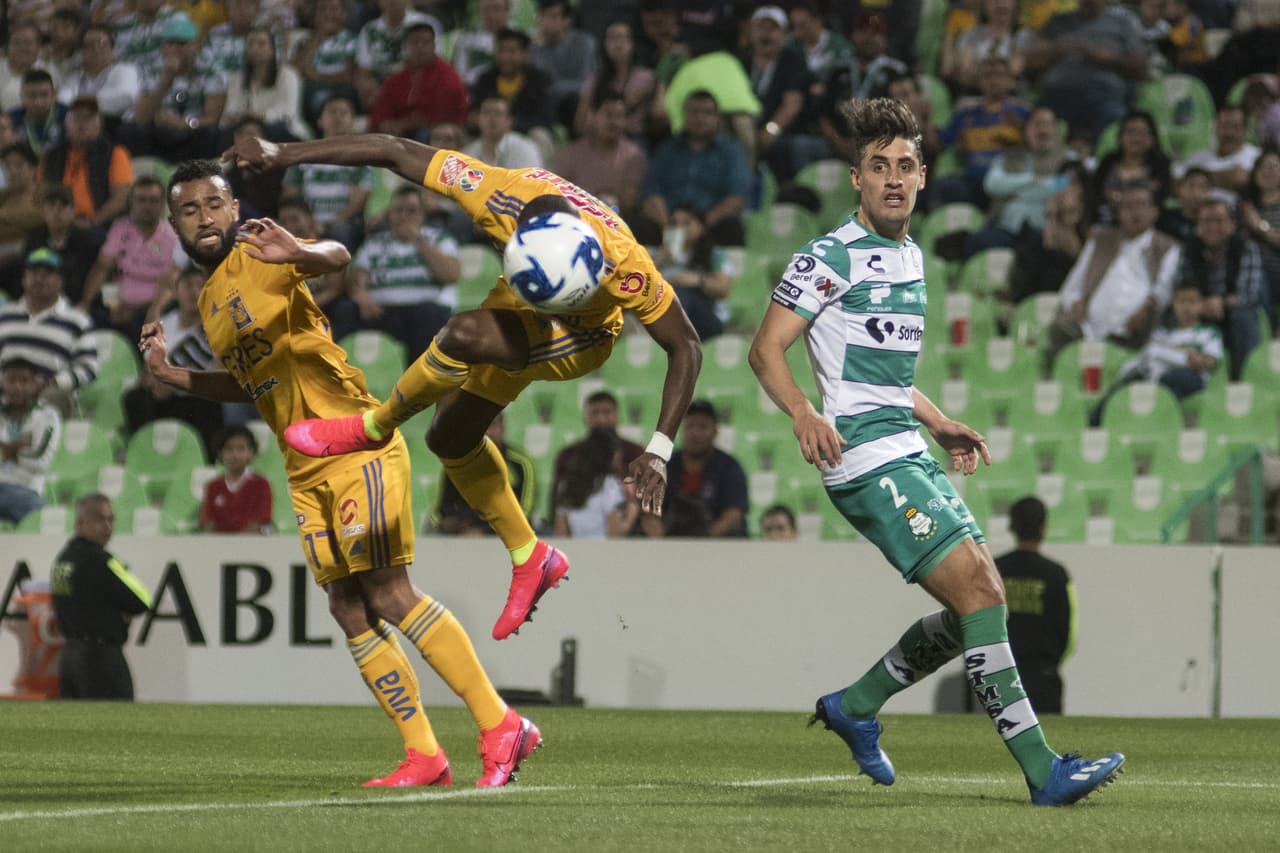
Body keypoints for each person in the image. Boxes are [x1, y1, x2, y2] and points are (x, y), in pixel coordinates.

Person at [747, 97, 1122, 805]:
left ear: (923, 177)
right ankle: (1043, 771)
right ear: (856, 177)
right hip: (861, 457)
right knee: (982, 590)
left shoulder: (911, 254)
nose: (893, 178)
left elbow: (886, 372)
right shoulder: (829, 256)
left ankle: (855, 704)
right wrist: (801, 410)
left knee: (974, 606)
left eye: (906, 165)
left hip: (905, 445)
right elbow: (764, 348)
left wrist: (939, 418)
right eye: (879, 166)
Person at [139, 158, 541, 787]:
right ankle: (424, 755)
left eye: (213, 204)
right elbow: (253, 385)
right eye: (189, 210)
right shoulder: (212, 300)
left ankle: (500, 724)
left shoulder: (262, 252)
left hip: (355, 442)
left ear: (235, 208)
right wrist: (172, 377)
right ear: (174, 225)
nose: (204, 218)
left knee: (389, 591)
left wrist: (300, 248)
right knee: (348, 606)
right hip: (303, 464)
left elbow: (337, 256)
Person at [225, 128, 702, 642]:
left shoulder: (624, 262)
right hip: (516, 308)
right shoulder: (498, 191)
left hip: (579, 335)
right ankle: (531, 556)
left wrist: (658, 448)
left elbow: (687, 346)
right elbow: (393, 149)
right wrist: (282, 153)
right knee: (449, 439)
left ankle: (372, 426)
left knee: (461, 333)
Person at [1046, 183, 1182, 366]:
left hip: (1135, 329)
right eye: (1127, 206)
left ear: (1154, 212)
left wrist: (1148, 307)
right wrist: (1076, 302)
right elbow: (1073, 285)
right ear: (1118, 212)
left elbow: (1163, 290)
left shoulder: (1167, 247)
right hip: (1088, 328)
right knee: (1059, 328)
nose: (1134, 212)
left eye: (1140, 205)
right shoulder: (1099, 240)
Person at [51, 494, 153, 700]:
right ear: (80, 522)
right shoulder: (102, 561)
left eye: (111, 519)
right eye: (100, 519)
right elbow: (143, 599)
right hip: (101, 659)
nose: (107, 526)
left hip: (70, 658)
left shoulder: (62, 560)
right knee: (119, 727)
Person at [122, 265, 224, 459]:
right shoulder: (164, 323)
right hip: (163, 394)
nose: (194, 292)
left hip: (195, 395)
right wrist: (155, 381)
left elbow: (219, 373)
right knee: (135, 398)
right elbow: (147, 368)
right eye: (187, 286)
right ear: (177, 292)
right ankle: (142, 455)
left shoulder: (216, 326)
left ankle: (205, 461)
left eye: (200, 286)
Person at [1088, 280, 1222, 426]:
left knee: (1170, 379)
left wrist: (1180, 355)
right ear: (1173, 303)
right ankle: (1094, 429)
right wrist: (1184, 353)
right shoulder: (1161, 333)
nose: (1187, 307)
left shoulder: (1208, 332)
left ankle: (1153, 425)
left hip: (1189, 378)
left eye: (1192, 302)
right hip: (1154, 374)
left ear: (1201, 305)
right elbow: (1149, 354)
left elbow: (1209, 362)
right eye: (1181, 301)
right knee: (1122, 387)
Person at [994, 497, 1075, 714]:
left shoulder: (995, 569)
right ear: (1043, 527)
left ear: (1012, 526)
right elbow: (1067, 629)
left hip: (1000, 673)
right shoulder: (1056, 573)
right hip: (1043, 676)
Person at [1174, 197, 1270, 379]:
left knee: (1243, 316)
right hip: (1199, 310)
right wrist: (1202, 305)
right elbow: (1182, 290)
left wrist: (1221, 303)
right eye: (1206, 221)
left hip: (1234, 312)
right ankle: (1187, 380)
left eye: (1218, 221)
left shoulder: (1246, 247)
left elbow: (1249, 294)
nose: (1212, 227)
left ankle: (1243, 379)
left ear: (1232, 224)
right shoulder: (1188, 249)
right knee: (1175, 314)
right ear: (1198, 227)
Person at [0, 248, 98, 417]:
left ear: (60, 280)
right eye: (34, 273)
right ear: (24, 278)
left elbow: (89, 368)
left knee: (52, 399)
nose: (39, 279)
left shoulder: (78, 321)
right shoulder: (4, 315)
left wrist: (52, 383)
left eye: (47, 274)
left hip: (50, 395)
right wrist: (10, 385)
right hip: (5, 392)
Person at [82, 176, 181, 342]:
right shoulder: (120, 228)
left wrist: (148, 310)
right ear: (131, 202)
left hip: (152, 311)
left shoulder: (173, 237)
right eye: (141, 200)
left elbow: (171, 283)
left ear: (163, 204)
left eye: (153, 201)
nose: (147, 206)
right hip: (115, 307)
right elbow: (104, 269)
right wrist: (102, 304)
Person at [38, 96, 134, 234]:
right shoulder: (51, 156)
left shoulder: (116, 153)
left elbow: (120, 199)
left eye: (88, 118)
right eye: (77, 118)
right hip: (55, 224)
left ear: (99, 124)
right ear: (66, 124)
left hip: (97, 226)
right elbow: (41, 194)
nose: (82, 124)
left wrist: (93, 222)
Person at [432, 412, 536, 536]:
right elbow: (440, 512)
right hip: (460, 535)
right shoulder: (456, 463)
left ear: (502, 428)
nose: (487, 432)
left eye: (492, 426)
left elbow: (524, 514)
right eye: (480, 427)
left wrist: (485, 532)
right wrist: (449, 523)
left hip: (506, 536)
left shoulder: (521, 464)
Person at [369, 23, 469, 141]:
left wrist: (405, 124)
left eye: (426, 42)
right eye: (414, 42)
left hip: (434, 134)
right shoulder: (396, 78)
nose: (420, 47)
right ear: (406, 46)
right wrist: (386, 123)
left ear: (434, 45)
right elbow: (381, 110)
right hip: (399, 135)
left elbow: (440, 118)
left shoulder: (448, 76)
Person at [0, 356, 61, 525]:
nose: (18, 387)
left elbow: (41, 461)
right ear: (3, 382)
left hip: (26, 490)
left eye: (24, 381)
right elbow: (32, 454)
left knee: (42, 517)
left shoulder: (48, 416)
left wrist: (5, 450)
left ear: (34, 384)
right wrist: (19, 447)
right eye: (12, 380)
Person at [201, 424, 274, 533]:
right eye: (229, 449)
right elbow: (209, 524)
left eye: (241, 448)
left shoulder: (261, 484)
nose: (235, 454)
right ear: (220, 453)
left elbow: (260, 523)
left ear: (251, 452)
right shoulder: (213, 486)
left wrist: (237, 546)